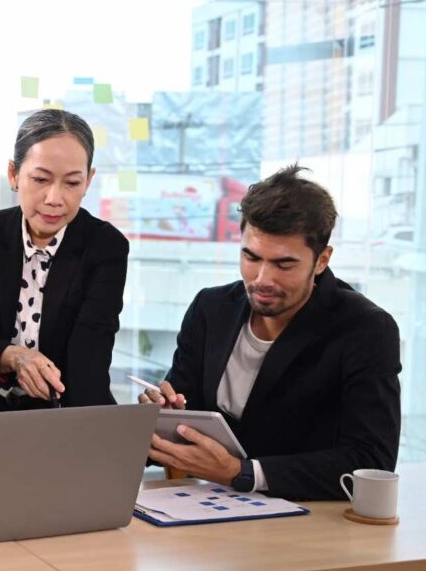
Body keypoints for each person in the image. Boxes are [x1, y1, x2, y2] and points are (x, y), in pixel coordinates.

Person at [142, 165, 401, 500]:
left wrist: (243, 473)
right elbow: (184, 409)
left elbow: (372, 461)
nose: (262, 278)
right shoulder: (211, 308)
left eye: (284, 264)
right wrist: (162, 415)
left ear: (321, 260)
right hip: (207, 510)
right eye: (251, 256)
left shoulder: (365, 329)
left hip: (310, 523)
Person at [0, 109, 129, 410]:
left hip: (69, 410)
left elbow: (89, 357)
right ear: (13, 174)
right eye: (40, 179)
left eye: (72, 183)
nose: (54, 198)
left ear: (88, 181)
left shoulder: (106, 247)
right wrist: (15, 357)